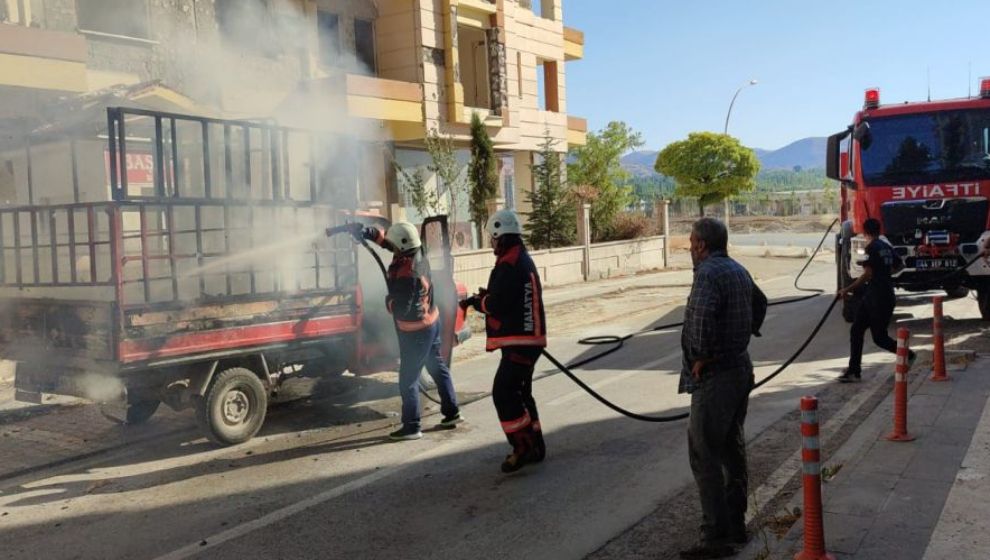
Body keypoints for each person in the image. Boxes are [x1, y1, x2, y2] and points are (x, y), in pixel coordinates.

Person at [678, 218, 756, 560]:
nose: (689, 248)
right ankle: (736, 524)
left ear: (701, 245)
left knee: (704, 454)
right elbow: (761, 304)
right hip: (740, 368)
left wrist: (702, 357)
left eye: (691, 242)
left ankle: (715, 537)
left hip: (717, 377)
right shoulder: (738, 269)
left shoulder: (708, 274)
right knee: (731, 447)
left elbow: (700, 320)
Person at [356, 222, 462, 441]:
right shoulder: (416, 252)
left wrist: (389, 302)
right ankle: (452, 413)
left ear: (402, 247)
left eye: (395, 246)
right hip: (432, 323)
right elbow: (391, 243)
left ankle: (412, 426)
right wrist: (370, 233)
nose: (392, 248)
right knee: (437, 367)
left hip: (416, 332)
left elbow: (403, 309)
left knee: (408, 379)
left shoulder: (407, 274)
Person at [462, 209, 547, 473]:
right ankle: (536, 446)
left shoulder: (510, 264)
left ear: (501, 236)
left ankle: (522, 447)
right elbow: (509, 295)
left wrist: (479, 302)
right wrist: (490, 296)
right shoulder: (519, 258)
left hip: (520, 341)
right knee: (522, 392)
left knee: (503, 392)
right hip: (528, 340)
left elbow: (498, 304)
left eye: (492, 237)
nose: (491, 242)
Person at [836, 218, 915, 382]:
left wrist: (846, 290)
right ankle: (854, 370)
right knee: (856, 330)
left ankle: (909, 355)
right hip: (881, 296)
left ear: (865, 232)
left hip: (876, 299)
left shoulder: (871, 248)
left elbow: (867, 274)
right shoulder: (886, 247)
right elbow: (900, 265)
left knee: (879, 338)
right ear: (879, 231)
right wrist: (885, 274)